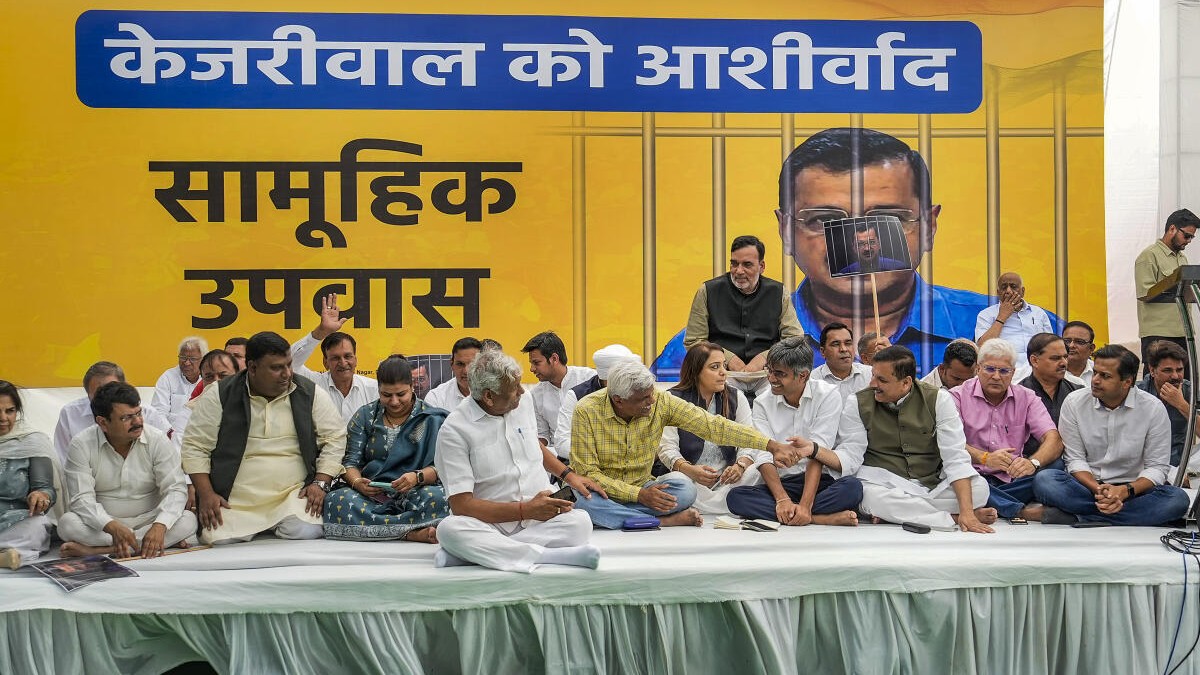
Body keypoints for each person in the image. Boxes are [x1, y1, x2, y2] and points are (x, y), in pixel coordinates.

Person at [652, 127, 992, 378]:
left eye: (886, 219)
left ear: (929, 225)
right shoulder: (701, 347)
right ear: (786, 230)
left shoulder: (992, 323)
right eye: (826, 220)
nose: (860, 242)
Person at [570, 361, 808, 529]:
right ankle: (662, 521)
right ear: (619, 400)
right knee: (584, 503)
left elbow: (713, 426)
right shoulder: (587, 410)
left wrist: (770, 445)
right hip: (604, 492)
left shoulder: (661, 401)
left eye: (652, 394)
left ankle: (625, 519)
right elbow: (588, 474)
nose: (652, 402)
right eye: (644, 399)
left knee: (685, 490)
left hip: (644, 485)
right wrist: (640, 495)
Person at [434, 348, 599, 573]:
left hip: (539, 519)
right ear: (489, 397)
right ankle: (551, 556)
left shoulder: (524, 401)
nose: (522, 391)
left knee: (580, 523)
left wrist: (568, 476)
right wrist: (525, 510)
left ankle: (475, 555)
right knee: (450, 529)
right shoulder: (454, 430)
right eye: (514, 390)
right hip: (489, 524)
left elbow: (535, 447)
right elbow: (462, 505)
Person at [182, 331, 347, 545]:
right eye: (277, 368)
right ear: (252, 368)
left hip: (292, 496)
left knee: (307, 531)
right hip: (236, 499)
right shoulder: (219, 394)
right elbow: (195, 446)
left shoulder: (309, 392)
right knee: (218, 539)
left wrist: (320, 482)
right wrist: (207, 494)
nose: (287, 373)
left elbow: (335, 438)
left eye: (288, 364)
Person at [834, 346, 995, 532]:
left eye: (881, 380)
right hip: (885, 483)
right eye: (873, 376)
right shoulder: (857, 403)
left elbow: (956, 457)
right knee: (870, 496)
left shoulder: (939, 400)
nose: (872, 384)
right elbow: (852, 454)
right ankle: (952, 517)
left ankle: (908, 514)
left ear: (906, 382)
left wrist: (967, 508)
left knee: (980, 489)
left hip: (931, 484)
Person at [1034, 345, 1190, 526]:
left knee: (1177, 499)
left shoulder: (1152, 408)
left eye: (1105, 376)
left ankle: (1080, 516)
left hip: (1134, 489)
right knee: (1046, 480)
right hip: (1088, 487)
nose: (1095, 381)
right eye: (1095, 373)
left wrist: (1124, 491)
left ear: (1127, 382)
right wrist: (1101, 490)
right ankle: (1122, 515)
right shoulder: (1075, 402)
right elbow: (1074, 460)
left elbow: (1157, 467)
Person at [726, 338, 863, 525]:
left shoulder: (828, 395)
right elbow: (764, 456)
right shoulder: (762, 402)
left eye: (780, 374)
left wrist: (806, 505)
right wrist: (782, 499)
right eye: (770, 371)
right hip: (782, 484)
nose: (771, 379)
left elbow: (818, 452)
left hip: (819, 482)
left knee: (852, 488)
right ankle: (820, 518)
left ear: (803, 376)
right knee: (736, 498)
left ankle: (801, 513)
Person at [58, 382, 196, 558]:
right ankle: (146, 545)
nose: (137, 421)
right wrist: (111, 526)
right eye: (126, 418)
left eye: (139, 413)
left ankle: (99, 551)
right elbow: (81, 499)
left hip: (150, 520)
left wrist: (160, 526)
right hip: (104, 525)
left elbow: (175, 489)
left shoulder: (157, 439)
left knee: (189, 520)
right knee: (67, 524)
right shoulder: (81, 444)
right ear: (103, 422)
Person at [323, 356, 448, 543]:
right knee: (337, 500)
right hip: (373, 495)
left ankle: (388, 529)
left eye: (401, 394)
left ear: (412, 387)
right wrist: (357, 483)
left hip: (418, 490)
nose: (394, 402)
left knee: (441, 498)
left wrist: (417, 477)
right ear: (379, 390)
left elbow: (442, 468)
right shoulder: (365, 416)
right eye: (386, 395)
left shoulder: (430, 418)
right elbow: (350, 462)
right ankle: (411, 532)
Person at [949, 340, 1062, 522]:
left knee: (1054, 467)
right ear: (978, 369)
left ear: (1013, 373)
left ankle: (989, 503)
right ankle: (1020, 511)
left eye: (1003, 371)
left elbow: (1053, 438)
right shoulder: (956, 396)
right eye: (989, 369)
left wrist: (1033, 462)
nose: (996, 376)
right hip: (972, 475)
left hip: (1014, 478)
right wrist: (985, 458)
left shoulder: (1027, 397)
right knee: (957, 479)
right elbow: (949, 444)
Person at [681, 235, 803, 389]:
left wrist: (764, 358)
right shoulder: (707, 291)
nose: (738, 271)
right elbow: (694, 341)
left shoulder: (778, 292)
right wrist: (728, 359)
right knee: (726, 401)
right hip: (723, 374)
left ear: (762, 266)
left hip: (767, 374)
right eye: (734, 264)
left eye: (747, 265)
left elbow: (794, 338)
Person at [657, 342, 764, 514]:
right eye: (715, 367)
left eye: (724, 365)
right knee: (678, 482)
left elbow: (749, 440)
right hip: (689, 479)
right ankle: (727, 506)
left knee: (757, 470)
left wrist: (740, 465)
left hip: (726, 482)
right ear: (696, 371)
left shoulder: (736, 397)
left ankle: (701, 507)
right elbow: (667, 448)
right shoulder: (671, 399)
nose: (723, 372)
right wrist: (690, 471)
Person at [54, 361, 171, 464]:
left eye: (113, 390)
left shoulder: (148, 414)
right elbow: (63, 461)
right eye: (98, 393)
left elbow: (165, 461)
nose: (107, 398)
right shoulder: (70, 414)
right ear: (87, 393)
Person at [290, 294, 379, 422]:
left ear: (355, 360)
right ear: (325, 363)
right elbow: (288, 363)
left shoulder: (373, 389)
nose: (343, 363)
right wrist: (321, 331)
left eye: (348, 356)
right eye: (335, 358)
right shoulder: (313, 384)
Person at [0, 381, 57, 570]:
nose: (3, 418)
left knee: (38, 527)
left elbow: (46, 488)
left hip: (16, 519)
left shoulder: (32, 441)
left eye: (10, 411)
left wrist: (42, 496)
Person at [551, 344, 641, 463]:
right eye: (621, 380)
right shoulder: (577, 395)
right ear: (606, 377)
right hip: (585, 463)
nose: (626, 385)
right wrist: (602, 454)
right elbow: (562, 442)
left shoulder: (638, 393)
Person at [1135, 208, 1200, 370]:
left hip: (1183, 333)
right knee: (1157, 387)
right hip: (1158, 335)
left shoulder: (1182, 258)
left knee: (1184, 385)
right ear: (1172, 229)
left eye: (1192, 237)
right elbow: (1145, 293)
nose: (1189, 241)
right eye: (1187, 236)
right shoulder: (1149, 255)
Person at [521, 331, 596, 447]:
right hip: (558, 456)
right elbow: (543, 435)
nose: (531, 369)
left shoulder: (589, 379)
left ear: (554, 359)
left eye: (536, 363)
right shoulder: (536, 394)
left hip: (592, 451)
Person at [1019, 333, 1081, 457]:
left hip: (1074, 463)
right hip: (1030, 464)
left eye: (1065, 357)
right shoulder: (1018, 395)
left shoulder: (1078, 393)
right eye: (1055, 358)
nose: (1064, 363)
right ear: (1034, 361)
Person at [975, 272, 1056, 365]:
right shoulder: (986, 314)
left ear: (1022, 291)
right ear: (998, 292)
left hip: (1036, 368)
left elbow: (1051, 345)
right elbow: (982, 347)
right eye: (1004, 287)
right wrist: (1002, 317)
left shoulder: (1039, 313)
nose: (1008, 291)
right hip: (1003, 369)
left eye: (1013, 286)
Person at [1137, 340, 1193, 466]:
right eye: (1167, 370)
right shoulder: (1138, 393)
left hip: (1180, 465)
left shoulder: (1190, 392)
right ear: (1152, 370)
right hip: (1144, 465)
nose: (1175, 376)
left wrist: (1182, 405)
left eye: (1179, 370)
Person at [150, 336, 207, 434]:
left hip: (199, 435)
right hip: (170, 433)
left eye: (192, 359)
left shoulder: (209, 379)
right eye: (183, 357)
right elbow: (158, 411)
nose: (187, 363)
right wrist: (170, 433)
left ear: (203, 360)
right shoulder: (168, 377)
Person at [810, 323, 872, 401]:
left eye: (848, 343)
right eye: (836, 344)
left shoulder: (870, 375)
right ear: (823, 352)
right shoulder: (812, 380)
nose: (843, 349)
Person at [423, 337, 482, 412]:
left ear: (483, 365)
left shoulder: (496, 394)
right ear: (451, 364)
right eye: (460, 364)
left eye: (472, 364)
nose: (466, 371)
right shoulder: (436, 397)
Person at [836, 223, 909, 274]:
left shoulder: (899, 268)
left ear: (879, 244)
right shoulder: (844, 273)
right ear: (854, 248)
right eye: (861, 244)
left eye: (871, 242)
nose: (867, 248)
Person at [1061, 321, 1096, 386]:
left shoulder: (1099, 371)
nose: (1071, 346)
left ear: (1091, 348)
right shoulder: (1051, 372)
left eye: (1079, 342)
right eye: (1067, 341)